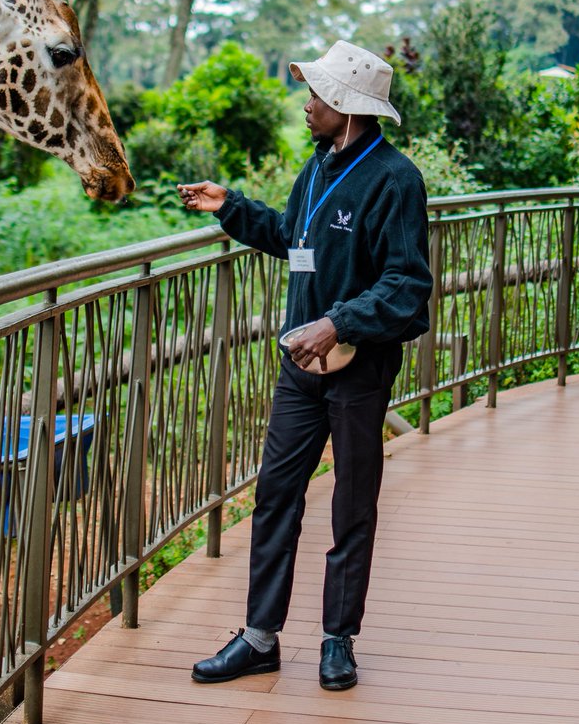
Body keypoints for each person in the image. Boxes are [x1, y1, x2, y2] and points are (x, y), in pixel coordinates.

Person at [177, 39, 432, 690]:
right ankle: (260, 638)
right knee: (275, 496)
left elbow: (408, 284)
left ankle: (337, 640)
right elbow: (293, 237)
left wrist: (339, 323)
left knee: (352, 503)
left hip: (359, 368)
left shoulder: (396, 180)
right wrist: (229, 207)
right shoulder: (316, 168)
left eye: (316, 95)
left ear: (346, 106)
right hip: (300, 365)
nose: (308, 105)